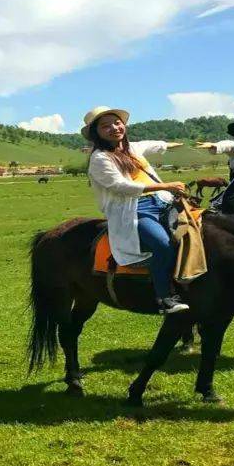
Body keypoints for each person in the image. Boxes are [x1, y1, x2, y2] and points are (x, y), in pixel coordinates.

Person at [83, 106, 191, 315]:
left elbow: (154, 145)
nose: (114, 128)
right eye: (105, 126)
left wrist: (175, 144)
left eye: (117, 122)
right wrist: (164, 185)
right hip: (134, 209)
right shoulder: (100, 159)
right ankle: (164, 297)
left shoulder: (131, 148)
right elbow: (120, 187)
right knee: (162, 244)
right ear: (96, 132)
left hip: (163, 201)